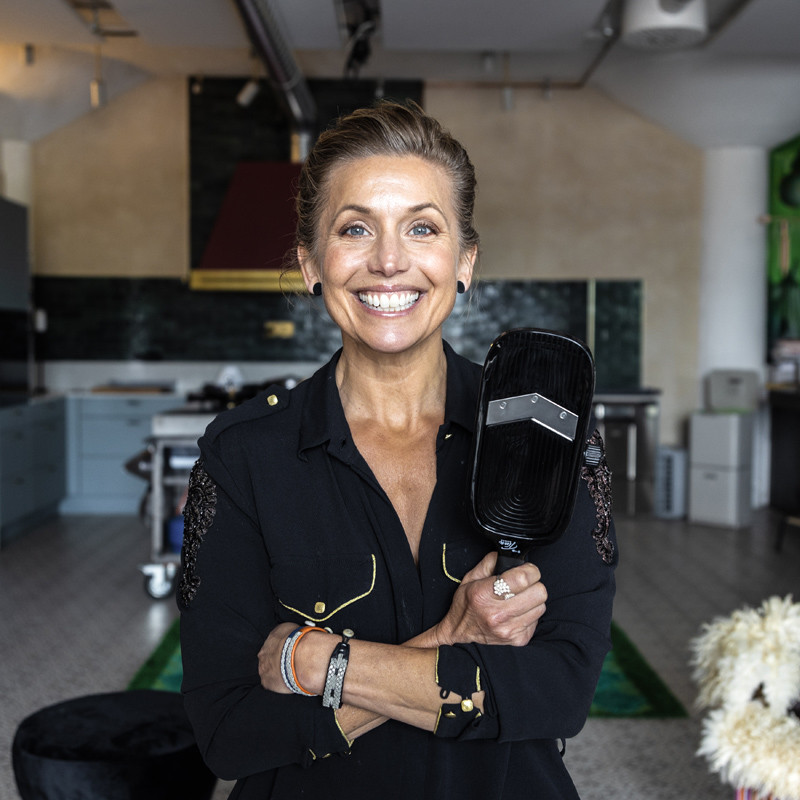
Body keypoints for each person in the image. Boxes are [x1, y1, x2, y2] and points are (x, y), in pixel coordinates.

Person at [178, 100, 617, 800]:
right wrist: (451, 637)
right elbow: (231, 733)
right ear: (312, 264)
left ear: (464, 262)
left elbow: (559, 693)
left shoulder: (550, 437)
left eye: (422, 227)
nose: (388, 261)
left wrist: (320, 662)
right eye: (355, 228)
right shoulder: (244, 458)